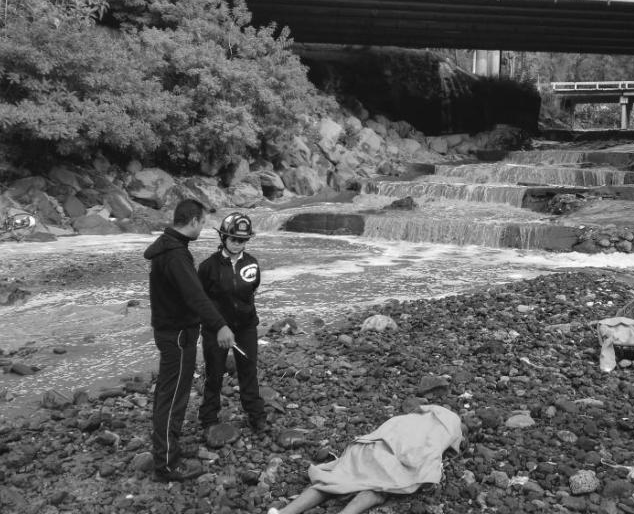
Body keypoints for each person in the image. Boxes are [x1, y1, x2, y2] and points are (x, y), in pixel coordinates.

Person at [144, 199, 236, 483]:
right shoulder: (176, 255)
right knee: (173, 397)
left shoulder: (167, 247)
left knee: (167, 394)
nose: (205, 227)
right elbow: (195, 296)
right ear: (193, 221)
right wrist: (220, 325)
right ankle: (167, 465)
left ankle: (168, 450)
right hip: (178, 335)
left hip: (169, 331)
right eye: (204, 222)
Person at [267, 405, 464, 514]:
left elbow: (380, 431)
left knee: (331, 481)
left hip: (368, 448)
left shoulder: (403, 418)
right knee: (377, 489)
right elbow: (439, 451)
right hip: (394, 458)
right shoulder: (448, 428)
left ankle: (285, 513)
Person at [197, 212, 267, 432]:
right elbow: (201, 300)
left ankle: (256, 416)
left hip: (246, 327)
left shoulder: (252, 264)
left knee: (248, 371)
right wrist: (218, 326)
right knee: (214, 373)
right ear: (223, 238)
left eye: (243, 240)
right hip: (215, 330)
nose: (238, 244)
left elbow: (252, 289)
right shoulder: (208, 267)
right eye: (234, 239)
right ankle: (208, 419)